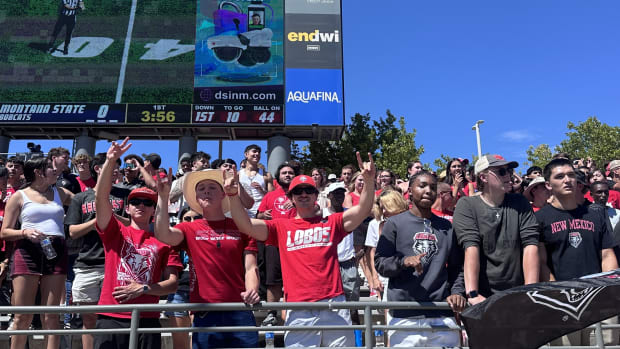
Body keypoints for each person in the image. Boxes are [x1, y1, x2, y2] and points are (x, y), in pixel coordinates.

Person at [230, 152, 376, 347]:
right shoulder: (280, 226)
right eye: (298, 191)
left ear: (316, 194)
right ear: (291, 197)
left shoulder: (331, 222)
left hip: (334, 305)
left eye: (309, 190)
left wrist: (368, 181)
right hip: (299, 307)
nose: (304, 194)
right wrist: (232, 196)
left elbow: (363, 210)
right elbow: (245, 225)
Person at [154, 167, 263, 348]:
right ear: (196, 198)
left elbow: (251, 267)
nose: (206, 191)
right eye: (201, 188)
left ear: (223, 194)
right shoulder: (189, 228)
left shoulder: (242, 226)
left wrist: (252, 290)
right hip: (205, 311)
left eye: (212, 187)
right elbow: (163, 234)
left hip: (239, 308)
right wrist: (163, 198)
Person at [93, 138, 182, 349]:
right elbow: (101, 198)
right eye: (135, 202)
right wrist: (110, 161)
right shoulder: (115, 231)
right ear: (128, 208)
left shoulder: (164, 241)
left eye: (147, 203)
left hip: (147, 318)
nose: (141, 205)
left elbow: (172, 284)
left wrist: (143, 289)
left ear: (154, 209)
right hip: (110, 315)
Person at [375, 171, 465, 347]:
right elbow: (380, 263)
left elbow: (456, 268)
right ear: (410, 190)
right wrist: (403, 262)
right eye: (422, 186)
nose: (428, 191)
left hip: (440, 313)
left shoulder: (446, 226)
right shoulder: (395, 223)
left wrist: (457, 292)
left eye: (432, 187)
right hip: (405, 315)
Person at [537, 158, 619, 346]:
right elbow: (541, 263)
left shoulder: (595, 214)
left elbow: (607, 255)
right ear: (548, 185)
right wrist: (557, 293)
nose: (567, 180)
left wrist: (607, 290)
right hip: (563, 304)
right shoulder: (540, 219)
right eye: (560, 176)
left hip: (599, 301)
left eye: (571, 175)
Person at [0, 157, 74, 349]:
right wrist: (24, 232)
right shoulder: (19, 196)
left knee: (51, 314)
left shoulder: (61, 192)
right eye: (51, 167)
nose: (56, 170)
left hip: (56, 249)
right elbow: (5, 232)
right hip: (26, 250)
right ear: (39, 172)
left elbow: (86, 201)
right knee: (23, 315)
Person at [453, 154, 539, 305]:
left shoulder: (520, 202)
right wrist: (473, 294)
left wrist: (529, 290)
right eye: (501, 171)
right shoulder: (467, 205)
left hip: (518, 295)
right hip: (484, 297)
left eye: (509, 171)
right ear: (483, 177)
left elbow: (530, 244)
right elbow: (470, 247)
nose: (508, 176)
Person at [65, 153, 129, 349]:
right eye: (112, 165)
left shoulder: (126, 195)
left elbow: (134, 226)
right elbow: (72, 231)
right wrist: (96, 222)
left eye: (118, 166)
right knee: (89, 320)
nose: (116, 169)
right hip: (87, 264)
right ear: (98, 169)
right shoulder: (81, 198)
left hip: (118, 263)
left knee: (117, 318)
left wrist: (109, 218)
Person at [256, 163, 298, 326]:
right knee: (273, 280)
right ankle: (272, 313)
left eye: (290, 173)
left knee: (293, 279)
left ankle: (291, 311)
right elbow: (259, 214)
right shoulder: (270, 195)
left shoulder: (301, 194)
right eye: (284, 173)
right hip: (273, 241)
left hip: (295, 242)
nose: (287, 175)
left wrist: (295, 203)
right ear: (278, 177)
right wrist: (263, 214)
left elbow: (316, 211)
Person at [163, 206, 198, 349]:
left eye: (196, 218)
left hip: (200, 293)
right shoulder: (175, 240)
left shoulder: (207, 238)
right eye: (187, 218)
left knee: (197, 341)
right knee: (179, 344)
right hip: (179, 292)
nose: (191, 221)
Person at [364, 190, 409, 300]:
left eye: (386, 207)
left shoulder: (411, 221)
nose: (383, 211)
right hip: (385, 273)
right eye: (381, 208)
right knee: (388, 312)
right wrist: (375, 278)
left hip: (408, 274)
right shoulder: (375, 224)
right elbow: (372, 252)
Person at [238, 144, 271, 218]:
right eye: (254, 151)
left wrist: (261, 190)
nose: (257, 154)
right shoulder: (238, 174)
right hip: (243, 214)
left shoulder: (266, 175)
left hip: (261, 213)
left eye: (259, 152)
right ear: (246, 154)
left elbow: (272, 197)